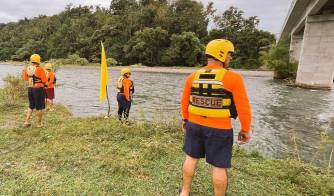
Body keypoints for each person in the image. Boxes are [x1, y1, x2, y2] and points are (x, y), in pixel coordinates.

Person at [179, 39, 252, 196]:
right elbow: (243, 107)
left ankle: (184, 192)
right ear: (222, 54)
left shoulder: (192, 76)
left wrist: (185, 120)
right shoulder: (233, 78)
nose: (230, 58)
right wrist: (245, 129)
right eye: (229, 55)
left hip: (194, 125)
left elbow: (184, 102)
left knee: (190, 158)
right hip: (220, 129)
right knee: (219, 166)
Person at [23, 54, 47, 128]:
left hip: (30, 88)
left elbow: (25, 79)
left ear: (31, 60)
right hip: (38, 90)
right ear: (38, 61)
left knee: (31, 106)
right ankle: (39, 124)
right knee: (39, 107)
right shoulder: (40, 69)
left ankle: (27, 122)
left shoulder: (27, 68)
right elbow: (44, 80)